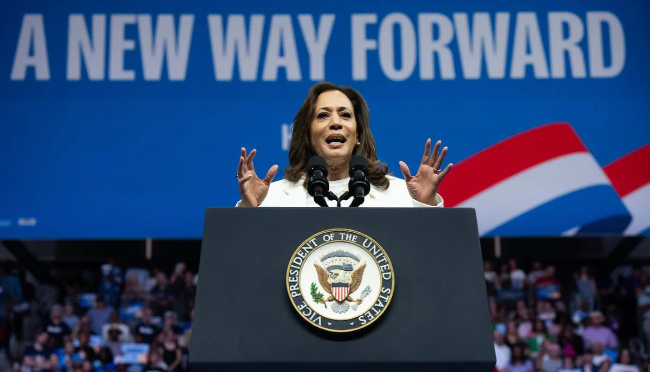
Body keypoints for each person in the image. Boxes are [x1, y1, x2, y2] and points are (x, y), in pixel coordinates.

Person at [235, 82, 452, 207]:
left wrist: (426, 205)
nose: (336, 123)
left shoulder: (399, 195)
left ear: (357, 134)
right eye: (323, 115)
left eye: (345, 115)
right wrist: (249, 211)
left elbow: (430, 258)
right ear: (309, 134)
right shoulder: (273, 198)